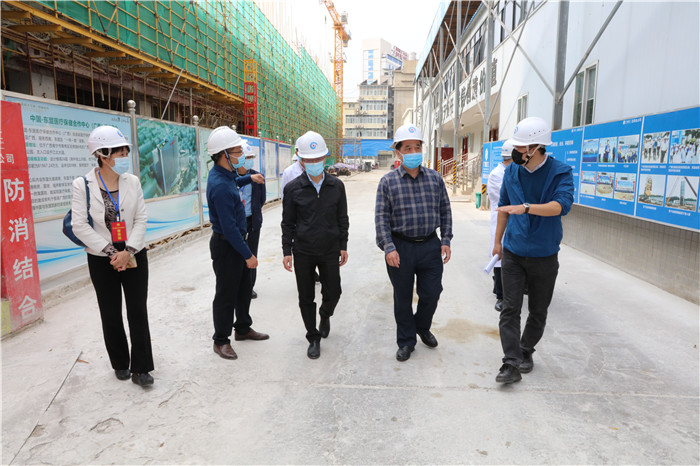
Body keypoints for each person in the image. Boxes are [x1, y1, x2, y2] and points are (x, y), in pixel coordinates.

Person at [70, 125, 154, 386]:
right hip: (101, 257)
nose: (125, 157)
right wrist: (111, 252)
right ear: (102, 155)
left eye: (126, 152)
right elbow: (79, 225)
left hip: (134, 252)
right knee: (110, 312)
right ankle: (120, 363)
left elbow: (141, 218)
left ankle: (141, 368)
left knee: (137, 311)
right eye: (120, 153)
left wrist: (128, 251)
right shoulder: (82, 185)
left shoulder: (133, 181)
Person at [492, 117, 574, 384]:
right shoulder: (512, 172)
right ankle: (511, 362)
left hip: (544, 254)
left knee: (538, 310)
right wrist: (498, 242)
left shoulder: (560, 172)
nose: (516, 151)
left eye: (521, 147)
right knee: (510, 308)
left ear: (536, 147)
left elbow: (561, 206)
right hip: (514, 251)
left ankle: (526, 349)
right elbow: (504, 208)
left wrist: (527, 207)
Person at [375, 123, 453, 362]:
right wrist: (388, 247)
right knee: (403, 297)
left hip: (430, 245)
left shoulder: (435, 179)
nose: (413, 152)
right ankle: (406, 341)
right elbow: (381, 218)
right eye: (407, 148)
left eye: (417, 147)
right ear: (398, 152)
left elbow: (445, 210)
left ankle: (422, 326)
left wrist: (446, 239)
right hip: (401, 247)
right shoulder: (388, 182)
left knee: (432, 292)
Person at [281, 131, 349, 359]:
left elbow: (342, 218)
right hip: (303, 251)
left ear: (325, 157)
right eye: (309, 160)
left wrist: (343, 245)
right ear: (301, 159)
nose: (313, 163)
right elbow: (287, 222)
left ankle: (325, 314)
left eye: (318, 158)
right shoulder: (293, 189)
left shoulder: (336, 186)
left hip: (330, 249)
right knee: (305, 297)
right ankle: (313, 337)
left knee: (334, 291)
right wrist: (287, 250)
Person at [207, 127, 269, 361]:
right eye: (237, 152)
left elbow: (235, 180)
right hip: (227, 247)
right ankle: (221, 340)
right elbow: (230, 229)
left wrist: (249, 178)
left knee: (244, 288)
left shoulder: (225, 174)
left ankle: (243, 328)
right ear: (224, 155)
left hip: (236, 243)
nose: (241, 156)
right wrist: (248, 255)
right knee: (226, 294)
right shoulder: (220, 186)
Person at [236, 141, 266, 299]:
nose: (249, 160)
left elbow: (261, 199)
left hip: (252, 221)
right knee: (237, 255)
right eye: (247, 157)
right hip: (236, 224)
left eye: (251, 157)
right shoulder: (231, 177)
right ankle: (237, 286)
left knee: (252, 254)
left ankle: (249, 287)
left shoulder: (257, 176)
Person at [487, 141, 513, 312]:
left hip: (516, 219)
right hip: (501, 218)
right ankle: (500, 295)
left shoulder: (515, 172)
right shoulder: (497, 174)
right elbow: (505, 198)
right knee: (499, 256)